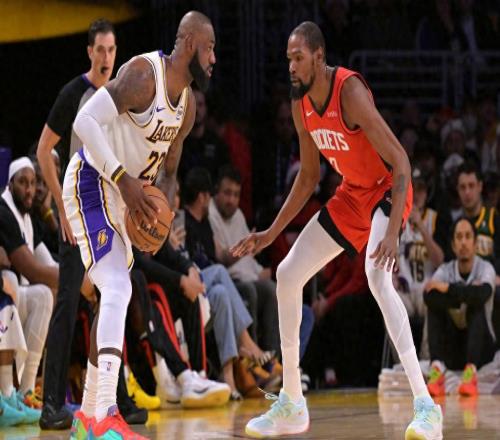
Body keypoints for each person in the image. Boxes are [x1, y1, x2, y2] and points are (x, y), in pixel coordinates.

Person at [232, 22, 443, 439]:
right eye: (288, 59)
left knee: (376, 277)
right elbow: (309, 176)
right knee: (287, 275)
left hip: (387, 189)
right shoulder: (300, 103)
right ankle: (292, 402)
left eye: (298, 58)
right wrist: (271, 232)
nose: (291, 66)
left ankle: (426, 407)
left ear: (318, 56)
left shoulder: (349, 92)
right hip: (352, 195)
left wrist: (393, 233)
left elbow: (401, 161)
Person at [61, 10, 215, 439]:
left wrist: (159, 218)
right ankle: (105, 414)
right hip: (93, 181)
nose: (214, 58)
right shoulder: (144, 75)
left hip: (126, 200)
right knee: (118, 287)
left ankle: (87, 417)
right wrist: (123, 179)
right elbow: (84, 122)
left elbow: (169, 173)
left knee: (115, 295)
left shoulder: (187, 107)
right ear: (189, 44)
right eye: (209, 48)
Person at [34, 18, 144, 430]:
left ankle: (109, 402)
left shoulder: (122, 94)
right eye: (100, 49)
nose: (106, 56)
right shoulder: (73, 94)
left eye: (112, 50)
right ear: (89, 52)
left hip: (110, 212)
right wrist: (60, 210)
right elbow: (44, 150)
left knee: (113, 299)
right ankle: (51, 404)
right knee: (68, 303)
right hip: (79, 209)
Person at [0, 158, 57, 422]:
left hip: (15, 296)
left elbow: (48, 264)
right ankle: (7, 393)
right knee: (13, 283)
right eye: (23, 182)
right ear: (10, 184)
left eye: (33, 183)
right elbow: (32, 270)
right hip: (9, 294)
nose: (30, 189)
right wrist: (74, 280)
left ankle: (26, 391)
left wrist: (76, 275)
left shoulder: (29, 216)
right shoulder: (4, 212)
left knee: (45, 295)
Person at [209, 165, 280, 354]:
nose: (231, 200)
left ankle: (273, 359)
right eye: (227, 193)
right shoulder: (210, 213)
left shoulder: (238, 214)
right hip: (229, 280)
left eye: (236, 195)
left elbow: (250, 263)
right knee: (251, 290)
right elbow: (220, 258)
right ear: (216, 191)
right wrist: (245, 250)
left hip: (248, 276)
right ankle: (252, 359)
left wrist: (270, 272)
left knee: (272, 288)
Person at [424, 217, 496, 397]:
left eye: (468, 236)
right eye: (459, 237)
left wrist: (448, 288)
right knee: (435, 307)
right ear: (453, 245)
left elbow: (483, 294)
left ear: (475, 243)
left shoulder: (486, 268)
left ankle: (471, 374)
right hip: (453, 349)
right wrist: (467, 293)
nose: (463, 242)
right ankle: (437, 369)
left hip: (482, 349)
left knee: (476, 305)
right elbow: (429, 296)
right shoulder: (445, 270)